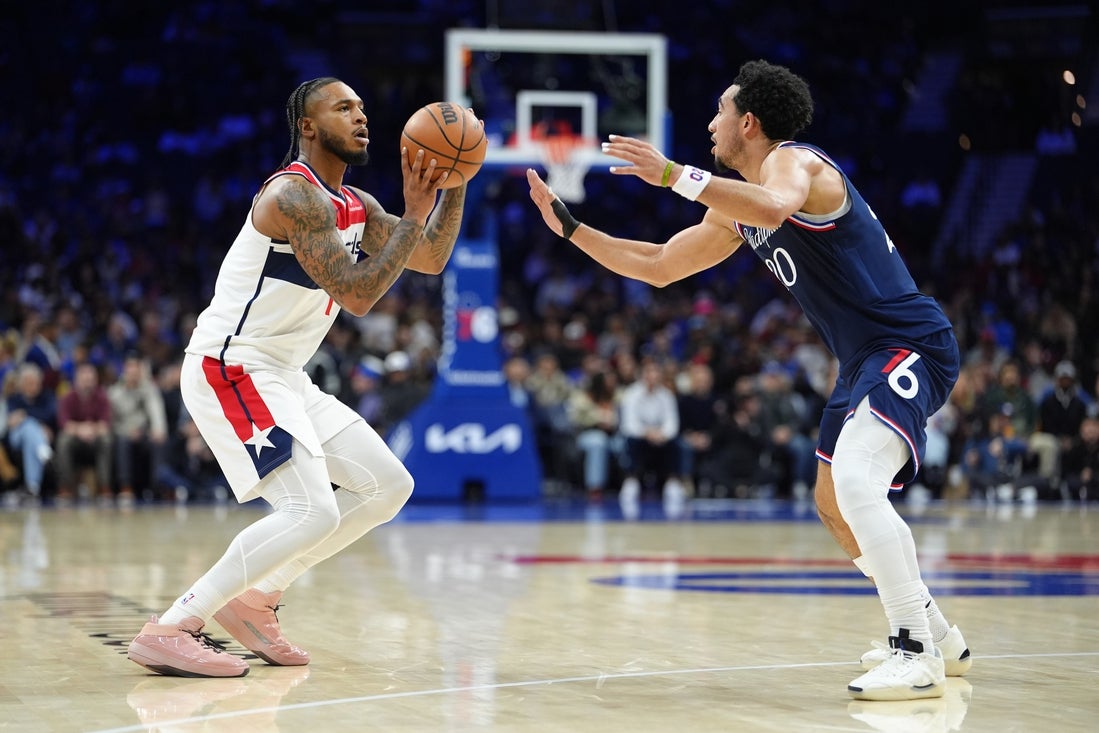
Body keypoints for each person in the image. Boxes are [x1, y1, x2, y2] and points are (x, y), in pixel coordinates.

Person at [527, 59, 969, 701]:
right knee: (832, 503)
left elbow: (776, 204)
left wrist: (674, 175)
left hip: (909, 345)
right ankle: (938, 634)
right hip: (861, 360)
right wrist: (571, 229)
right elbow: (658, 264)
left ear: (749, 123)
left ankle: (914, 651)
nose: (711, 123)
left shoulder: (797, 163)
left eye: (720, 111)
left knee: (856, 481)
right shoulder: (738, 208)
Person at [127, 77, 473, 677]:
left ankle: (255, 600)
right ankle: (174, 625)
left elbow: (431, 257)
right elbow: (359, 295)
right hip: (231, 367)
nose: (361, 116)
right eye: (344, 107)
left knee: (388, 485)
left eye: (362, 107)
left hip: (283, 375)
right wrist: (416, 211)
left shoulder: (356, 205)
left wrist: (456, 179)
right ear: (308, 126)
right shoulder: (293, 196)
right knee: (310, 509)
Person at [55, 362, 112, 505]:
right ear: (76, 380)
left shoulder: (103, 397)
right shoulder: (67, 398)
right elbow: (64, 424)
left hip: (95, 438)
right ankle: (65, 487)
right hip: (76, 439)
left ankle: (104, 487)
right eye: (84, 380)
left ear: (96, 381)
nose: (87, 383)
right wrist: (81, 429)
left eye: (90, 380)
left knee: (106, 439)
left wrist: (92, 429)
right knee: (63, 440)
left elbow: (105, 424)